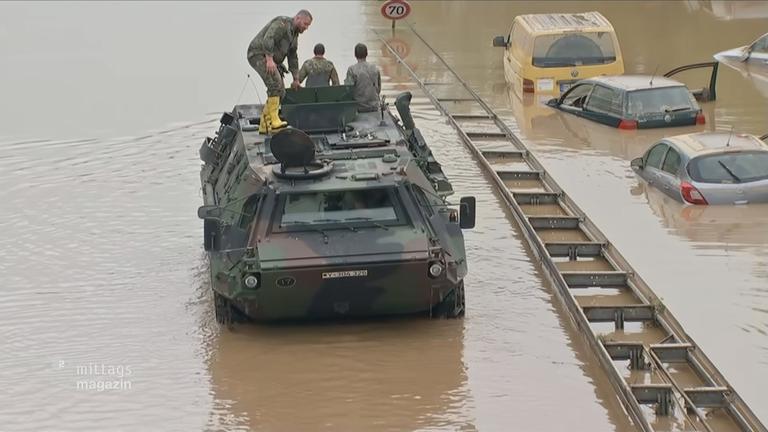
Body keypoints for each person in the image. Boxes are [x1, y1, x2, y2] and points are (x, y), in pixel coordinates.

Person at [246, 10, 313, 133]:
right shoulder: (282, 24)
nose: (306, 28)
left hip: (271, 58)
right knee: (275, 84)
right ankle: (274, 120)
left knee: (281, 91)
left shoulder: (294, 35)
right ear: (298, 18)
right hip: (258, 54)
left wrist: (296, 79)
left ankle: (264, 124)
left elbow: (293, 56)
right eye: (305, 24)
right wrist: (270, 58)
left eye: (308, 26)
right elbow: (268, 38)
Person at [344, 43, 381, 112]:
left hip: (358, 107)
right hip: (374, 106)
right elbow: (378, 89)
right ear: (366, 54)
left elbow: (348, 90)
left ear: (355, 55)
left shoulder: (352, 69)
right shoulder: (375, 68)